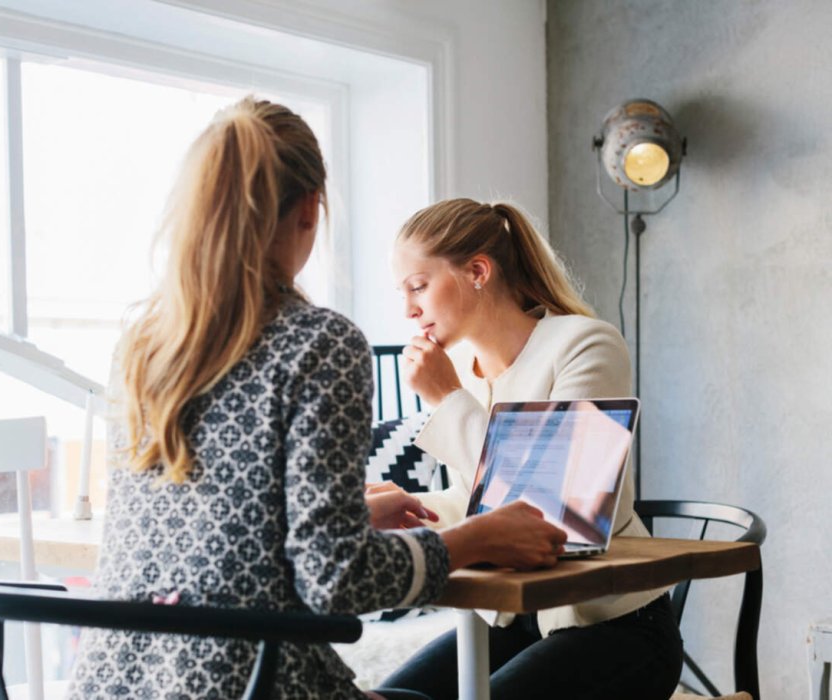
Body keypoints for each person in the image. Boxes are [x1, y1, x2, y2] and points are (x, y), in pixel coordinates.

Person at [66, 99, 566, 700]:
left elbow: (215, 539)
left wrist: (347, 515)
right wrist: (474, 539)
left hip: (112, 683)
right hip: (249, 685)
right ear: (310, 209)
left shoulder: (141, 348)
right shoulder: (319, 344)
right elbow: (335, 580)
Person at [379, 198, 684, 700]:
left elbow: (554, 506)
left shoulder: (587, 346)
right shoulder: (469, 378)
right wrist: (403, 508)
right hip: (509, 624)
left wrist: (445, 398)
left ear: (478, 270)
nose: (408, 310)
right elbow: (475, 507)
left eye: (418, 287)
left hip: (615, 627)